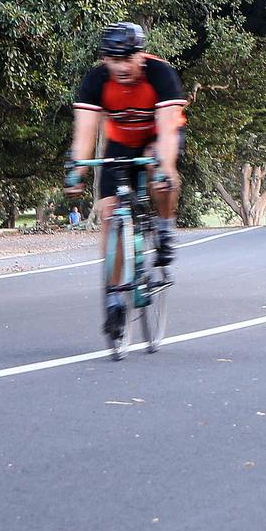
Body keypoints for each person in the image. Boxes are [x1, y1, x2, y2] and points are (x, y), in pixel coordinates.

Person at [64, 22, 187, 338]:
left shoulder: (161, 74)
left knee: (161, 174)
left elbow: (168, 131)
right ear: (105, 59)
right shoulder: (96, 81)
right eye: (113, 59)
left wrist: (164, 167)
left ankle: (163, 227)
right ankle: (115, 295)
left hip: (157, 137)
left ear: (140, 56)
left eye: (127, 59)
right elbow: (85, 134)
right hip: (119, 145)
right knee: (109, 214)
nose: (120, 67)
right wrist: (77, 170)